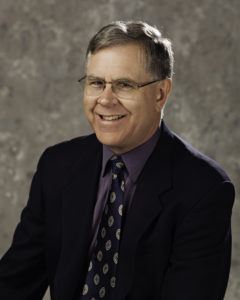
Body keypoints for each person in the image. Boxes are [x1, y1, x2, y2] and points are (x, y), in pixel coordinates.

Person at [0, 21, 235, 300]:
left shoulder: (204, 189)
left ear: (160, 94)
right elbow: (14, 284)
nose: (106, 99)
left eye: (124, 85)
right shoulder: (57, 166)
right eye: (97, 83)